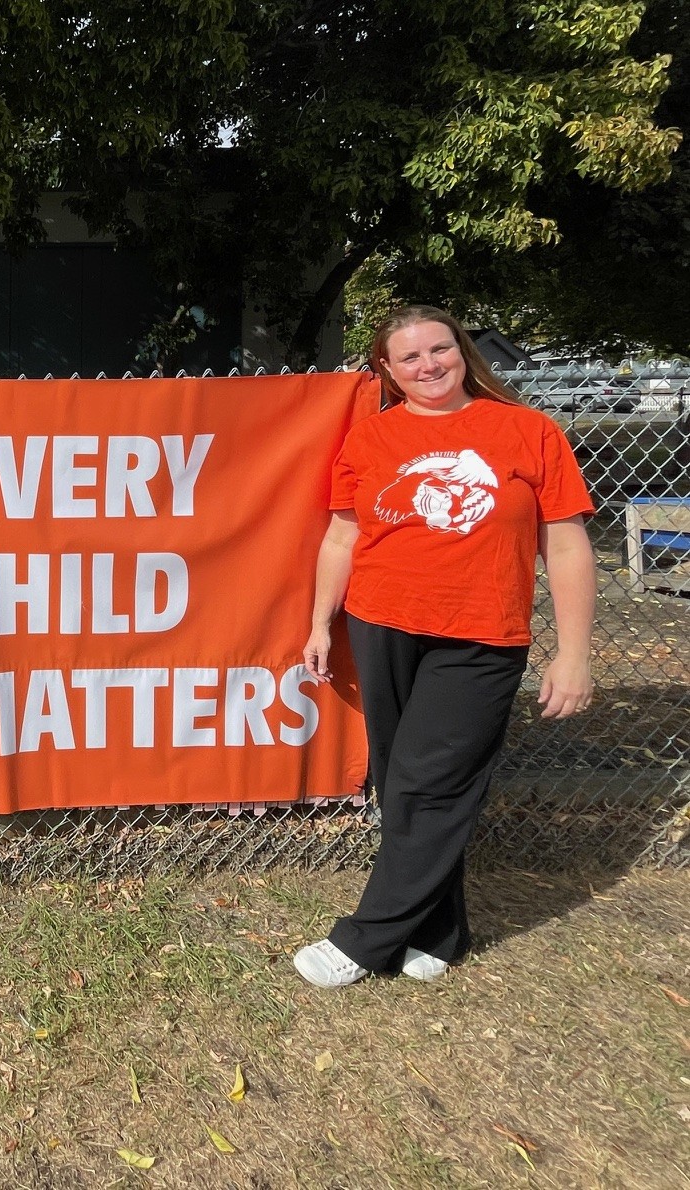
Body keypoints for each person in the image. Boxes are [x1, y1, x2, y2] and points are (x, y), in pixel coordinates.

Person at [296, 304, 596, 988]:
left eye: (439, 350)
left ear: (461, 352)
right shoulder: (370, 440)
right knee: (404, 784)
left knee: (429, 783)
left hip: (479, 635)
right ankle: (441, 929)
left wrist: (572, 653)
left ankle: (366, 938)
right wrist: (321, 622)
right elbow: (342, 538)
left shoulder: (527, 431)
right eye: (409, 357)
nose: (428, 365)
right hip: (380, 624)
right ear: (387, 370)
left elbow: (568, 544)